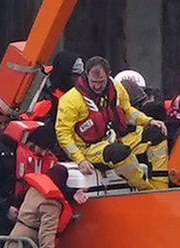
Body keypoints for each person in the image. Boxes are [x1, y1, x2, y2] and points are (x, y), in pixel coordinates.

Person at [55, 56, 169, 190]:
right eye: (93, 82)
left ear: (108, 76)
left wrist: (149, 121)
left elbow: (128, 113)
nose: (97, 86)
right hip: (90, 149)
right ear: (86, 76)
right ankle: (146, 189)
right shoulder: (70, 100)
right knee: (119, 152)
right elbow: (63, 134)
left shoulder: (117, 88)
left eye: (101, 82)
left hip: (115, 139)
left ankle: (161, 188)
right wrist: (80, 160)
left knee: (156, 133)